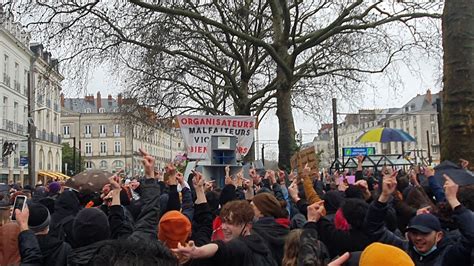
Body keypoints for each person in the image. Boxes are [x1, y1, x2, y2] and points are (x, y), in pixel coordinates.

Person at [365, 171, 474, 265]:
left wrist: (454, 201)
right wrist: (384, 196)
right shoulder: (405, 250)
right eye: (414, 232)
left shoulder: (449, 256)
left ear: (439, 236)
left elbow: (471, 235)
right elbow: (374, 228)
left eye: (424, 233)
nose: (418, 238)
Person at [172, 200, 277, 266]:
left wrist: (199, 251)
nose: (223, 227)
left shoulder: (242, 246)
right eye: (223, 222)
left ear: (247, 226)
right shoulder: (259, 242)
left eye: (230, 223)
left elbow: (222, 248)